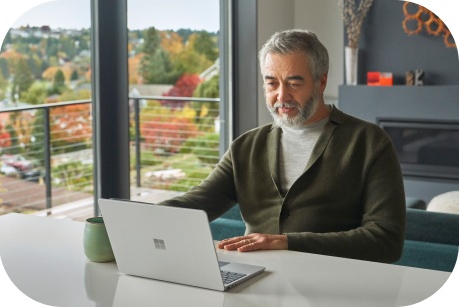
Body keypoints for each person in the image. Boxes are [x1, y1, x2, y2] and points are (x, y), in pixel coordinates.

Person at [159, 29, 406, 263]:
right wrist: (133, 219)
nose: (281, 96)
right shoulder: (246, 146)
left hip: (334, 286)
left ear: (321, 82)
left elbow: (386, 239)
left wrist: (287, 242)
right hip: (254, 280)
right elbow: (196, 203)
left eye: (294, 83)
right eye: (272, 83)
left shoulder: (369, 142)